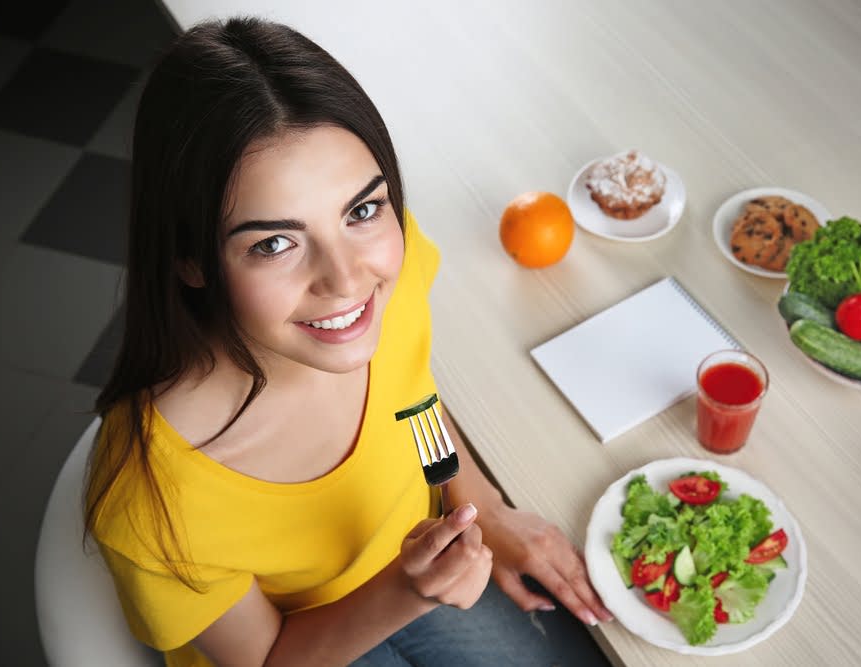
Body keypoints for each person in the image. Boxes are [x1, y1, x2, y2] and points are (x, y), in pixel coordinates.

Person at [84, 16, 613, 667]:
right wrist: (408, 590)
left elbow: (413, 397)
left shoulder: (388, 280)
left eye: (362, 210)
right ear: (190, 260)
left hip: (414, 561)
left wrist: (479, 501)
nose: (346, 279)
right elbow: (269, 658)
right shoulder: (148, 496)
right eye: (275, 242)